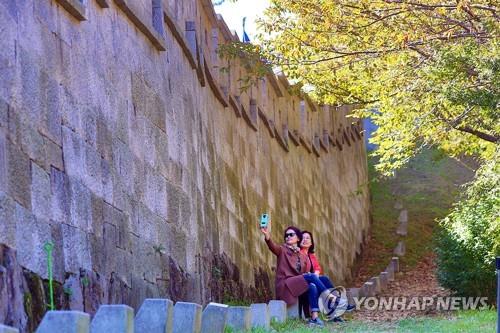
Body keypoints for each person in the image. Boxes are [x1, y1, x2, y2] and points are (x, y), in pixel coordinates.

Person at [261, 220, 327, 327]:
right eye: (286, 235)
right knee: (310, 276)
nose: (288, 237)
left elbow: (304, 273)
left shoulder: (302, 256)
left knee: (312, 286)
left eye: (291, 235)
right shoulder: (282, 250)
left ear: (298, 238)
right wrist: (267, 237)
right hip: (285, 285)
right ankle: (327, 295)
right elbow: (273, 247)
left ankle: (314, 317)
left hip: (296, 285)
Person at [300, 230, 355, 320]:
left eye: (307, 238)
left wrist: (316, 274)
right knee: (317, 283)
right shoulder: (299, 253)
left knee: (325, 279)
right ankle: (337, 302)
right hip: (303, 282)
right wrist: (312, 276)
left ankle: (335, 306)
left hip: (312, 280)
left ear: (311, 243)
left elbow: (317, 267)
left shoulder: (311, 255)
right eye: (303, 238)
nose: (305, 240)